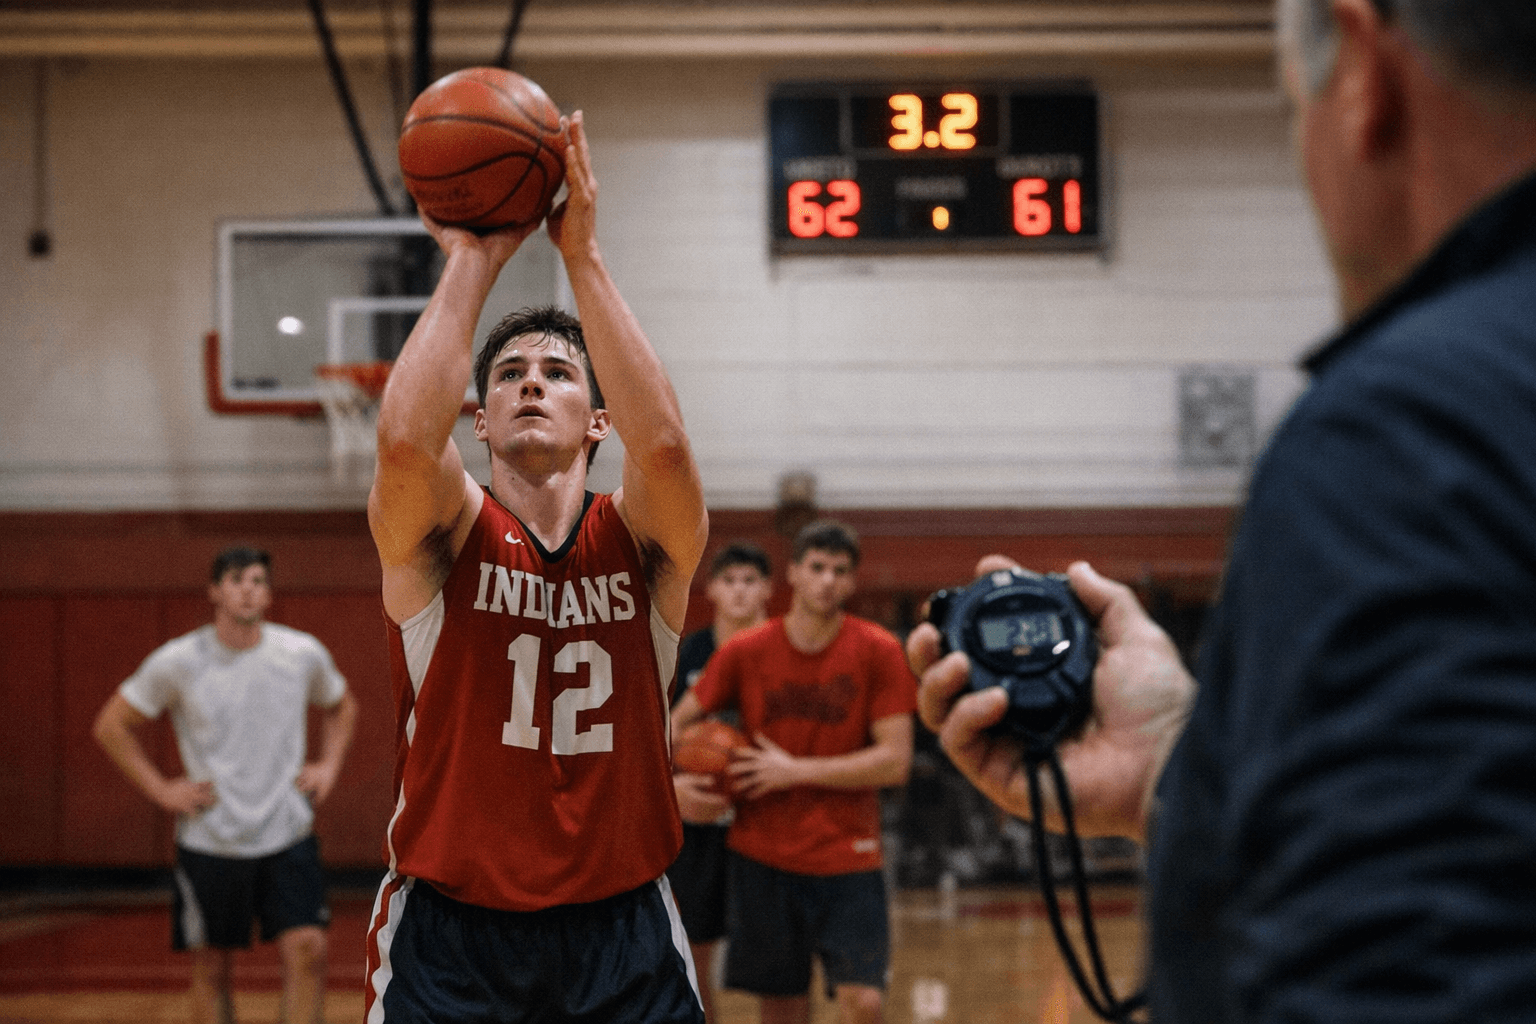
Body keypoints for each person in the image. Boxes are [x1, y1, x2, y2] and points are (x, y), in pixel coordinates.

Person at [908, 0, 1536, 1020]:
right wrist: (1170, 767)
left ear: (1363, 74)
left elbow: (1404, 980)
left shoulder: (1417, 431)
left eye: (1292, 109)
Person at [362, 109, 710, 1024]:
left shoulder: (640, 542)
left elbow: (666, 449)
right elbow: (403, 444)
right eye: (509, 372)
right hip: (450, 936)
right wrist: (473, 255)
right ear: (479, 420)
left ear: (599, 421)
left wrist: (581, 256)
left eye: (559, 373)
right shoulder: (446, 537)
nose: (530, 381)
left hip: (624, 930)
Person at [92, 546, 358, 1024]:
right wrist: (162, 790)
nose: (248, 589)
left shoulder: (301, 653)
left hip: (287, 832)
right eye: (236, 580)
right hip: (211, 839)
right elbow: (111, 725)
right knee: (212, 966)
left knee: (308, 949)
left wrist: (329, 765)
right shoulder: (178, 661)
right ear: (215, 591)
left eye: (258, 580)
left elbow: (342, 706)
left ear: (269, 594)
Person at [673, 520, 916, 1024]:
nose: (827, 580)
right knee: (781, 1007)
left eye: (840, 571)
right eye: (817, 567)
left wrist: (795, 770)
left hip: (849, 856)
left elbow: (895, 761)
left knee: (864, 1003)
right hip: (762, 854)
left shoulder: (879, 650)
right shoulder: (746, 650)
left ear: (852, 581)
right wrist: (681, 779)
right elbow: (672, 727)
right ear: (794, 573)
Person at [667, 540, 775, 1023]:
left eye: (749, 580)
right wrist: (673, 787)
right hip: (700, 818)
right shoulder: (690, 651)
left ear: (768, 589)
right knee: (694, 949)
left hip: (765, 817)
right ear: (709, 589)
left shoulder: (780, 650)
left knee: (777, 961)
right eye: (729, 580)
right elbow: (659, 731)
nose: (739, 591)